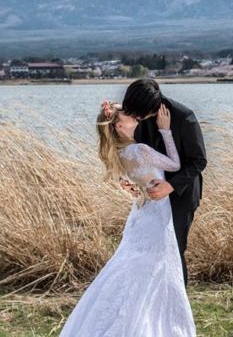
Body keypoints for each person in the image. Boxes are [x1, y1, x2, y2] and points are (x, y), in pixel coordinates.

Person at [59, 101, 196, 337]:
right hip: (155, 216)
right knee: (156, 269)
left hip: (141, 215)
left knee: (133, 268)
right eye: (128, 113)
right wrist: (165, 130)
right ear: (120, 125)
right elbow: (175, 164)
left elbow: (133, 187)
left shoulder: (120, 154)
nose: (135, 115)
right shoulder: (139, 150)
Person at [121, 79, 207, 286]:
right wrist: (128, 181)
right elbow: (137, 156)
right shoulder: (137, 116)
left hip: (181, 195)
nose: (135, 118)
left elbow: (199, 160)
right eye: (133, 114)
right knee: (150, 248)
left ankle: (178, 302)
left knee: (174, 249)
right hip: (151, 196)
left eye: (138, 115)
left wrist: (171, 186)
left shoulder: (184, 117)